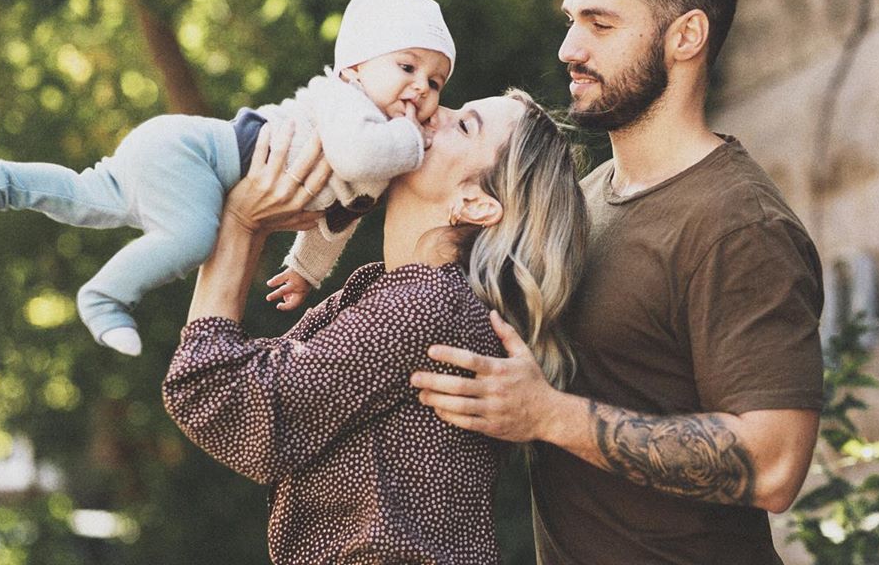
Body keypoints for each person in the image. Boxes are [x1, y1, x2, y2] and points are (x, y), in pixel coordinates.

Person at [411, 0, 824, 564]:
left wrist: (549, 416)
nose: (569, 49)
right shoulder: (582, 200)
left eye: (600, 25)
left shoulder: (738, 225)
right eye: (572, 21)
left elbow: (774, 465)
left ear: (685, 36)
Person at [0, 0, 455, 357]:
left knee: (87, 198)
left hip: (181, 156)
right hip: (193, 156)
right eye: (407, 66)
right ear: (354, 69)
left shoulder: (383, 152)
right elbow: (357, 154)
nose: (420, 88)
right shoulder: (348, 104)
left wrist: (304, 269)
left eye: (435, 81)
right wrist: (416, 141)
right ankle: (103, 298)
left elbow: (340, 217)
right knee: (190, 239)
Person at [162, 89, 589, 564]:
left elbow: (219, 395)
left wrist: (241, 224)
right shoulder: (391, 291)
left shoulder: (427, 306)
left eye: (463, 125)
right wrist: (255, 222)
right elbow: (251, 381)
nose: (430, 110)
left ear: (476, 203)